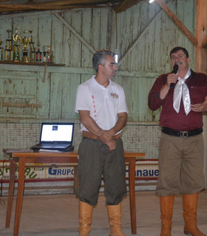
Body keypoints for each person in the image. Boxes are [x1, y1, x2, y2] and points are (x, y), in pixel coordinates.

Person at [148, 46, 207, 236]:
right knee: (167, 182)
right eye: (173, 57)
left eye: (180, 56)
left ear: (188, 60)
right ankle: (166, 229)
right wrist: (166, 86)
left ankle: (190, 225)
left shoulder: (201, 80)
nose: (176, 59)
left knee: (193, 181)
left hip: (194, 139)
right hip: (169, 138)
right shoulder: (162, 79)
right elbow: (152, 104)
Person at [75, 50, 128, 236]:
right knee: (88, 187)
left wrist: (112, 134)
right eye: (111, 64)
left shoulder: (118, 89)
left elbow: (123, 117)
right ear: (100, 67)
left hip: (115, 144)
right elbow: (84, 117)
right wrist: (104, 137)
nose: (115, 67)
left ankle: (116, 229)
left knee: (116, 186)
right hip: (92, 145)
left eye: (114, 64)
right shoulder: (85, 88)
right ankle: (84, 231)